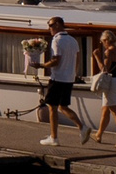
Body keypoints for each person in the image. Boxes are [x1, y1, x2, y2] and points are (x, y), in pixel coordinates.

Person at [35, 15, 82, 146]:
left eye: (50, 25)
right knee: (63, 106)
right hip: (69, 79)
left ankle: (54, 137)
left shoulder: (56, 40)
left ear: (57, 25)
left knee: (52, 107)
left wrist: (41, 65)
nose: (49, 28)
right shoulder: (73, 40)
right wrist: (74, 74)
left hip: (58, 78)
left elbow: (56, 61)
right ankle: (82, 127)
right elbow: (77, 59)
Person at [84, 31, 116, 148]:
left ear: (106, 40)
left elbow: (104, 69)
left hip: (110, 83)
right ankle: (99, 135)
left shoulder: (109, 52)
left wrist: (96, 57)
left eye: (102, 42)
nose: (102, 44)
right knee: (105, 110)